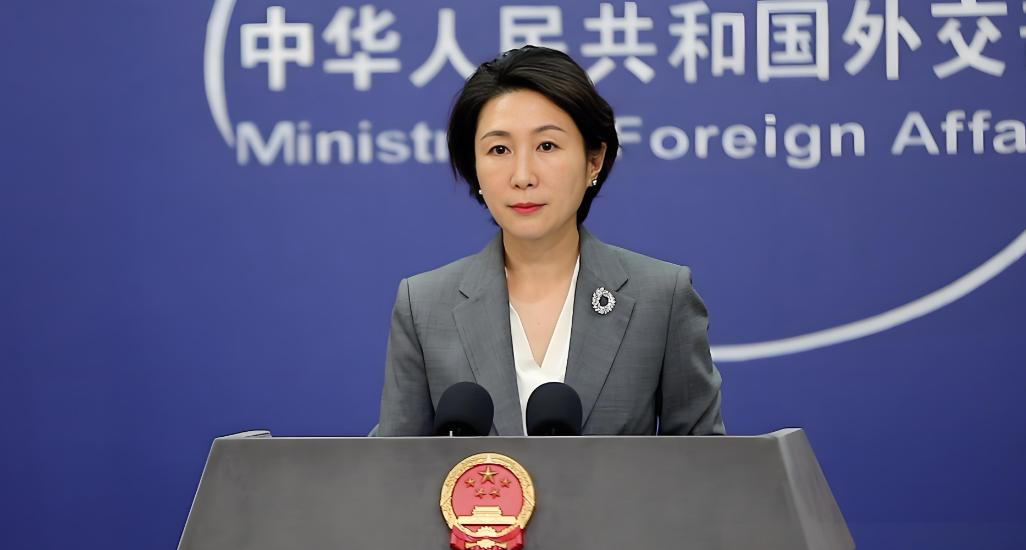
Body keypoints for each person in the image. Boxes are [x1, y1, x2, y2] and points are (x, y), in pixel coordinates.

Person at [376, 46, 723, 436]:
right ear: (474, 166)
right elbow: (393, 464)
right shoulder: (424, 306)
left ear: (594, 160)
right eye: (499, 149)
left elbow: (704, 462)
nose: (523, 176)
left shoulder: (661, 297)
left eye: (547, 146)